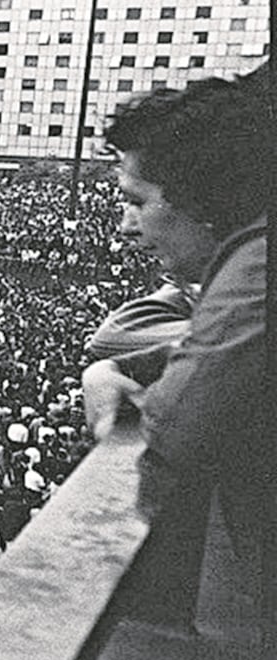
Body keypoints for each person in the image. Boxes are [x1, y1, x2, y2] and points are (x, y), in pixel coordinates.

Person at [82, 77, 271, 630]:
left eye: (137, 201)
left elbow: (169, 443)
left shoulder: (257, 269)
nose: (125, 227)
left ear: (204, 196)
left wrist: (105, 379)